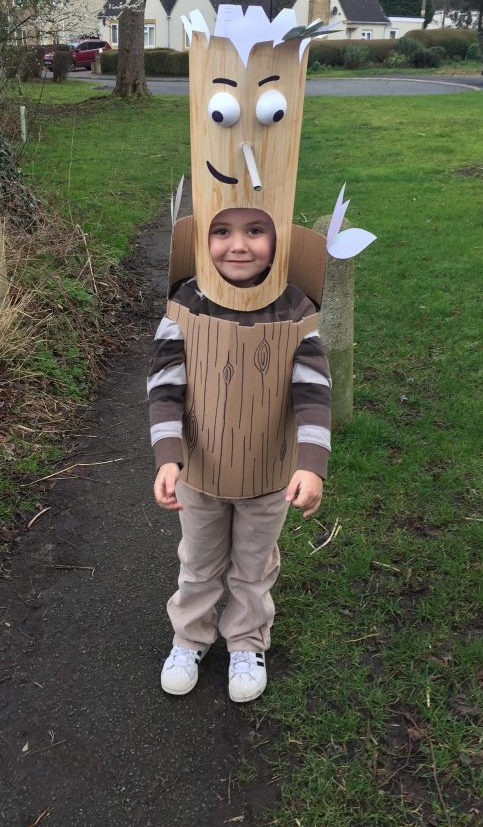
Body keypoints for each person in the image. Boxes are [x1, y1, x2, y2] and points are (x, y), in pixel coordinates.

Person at [148, 206, 331, 702]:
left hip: (268, 475)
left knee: (253, 566)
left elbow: (314, 390)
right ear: (201, 239)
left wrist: (311, 465)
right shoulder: (186, 305)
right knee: (200, 562)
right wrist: (169, 455)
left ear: (280, 240)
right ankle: (190, 636)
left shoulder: (294, 309)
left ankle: (246, 641)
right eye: (221, 231)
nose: (239, 245)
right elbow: (165, 384)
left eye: (256, 231)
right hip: (200, 474)